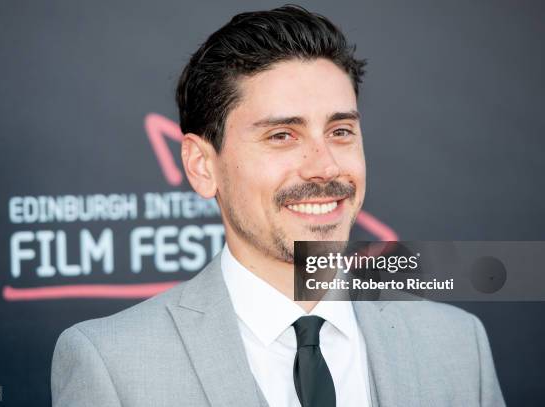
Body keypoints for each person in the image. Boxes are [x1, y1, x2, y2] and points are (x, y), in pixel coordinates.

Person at [51, 5, 505, 406]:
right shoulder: (111, 362)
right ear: (201, 166)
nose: (324, 167)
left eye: (340, 131)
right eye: (282, 136)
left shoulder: (458, 345)